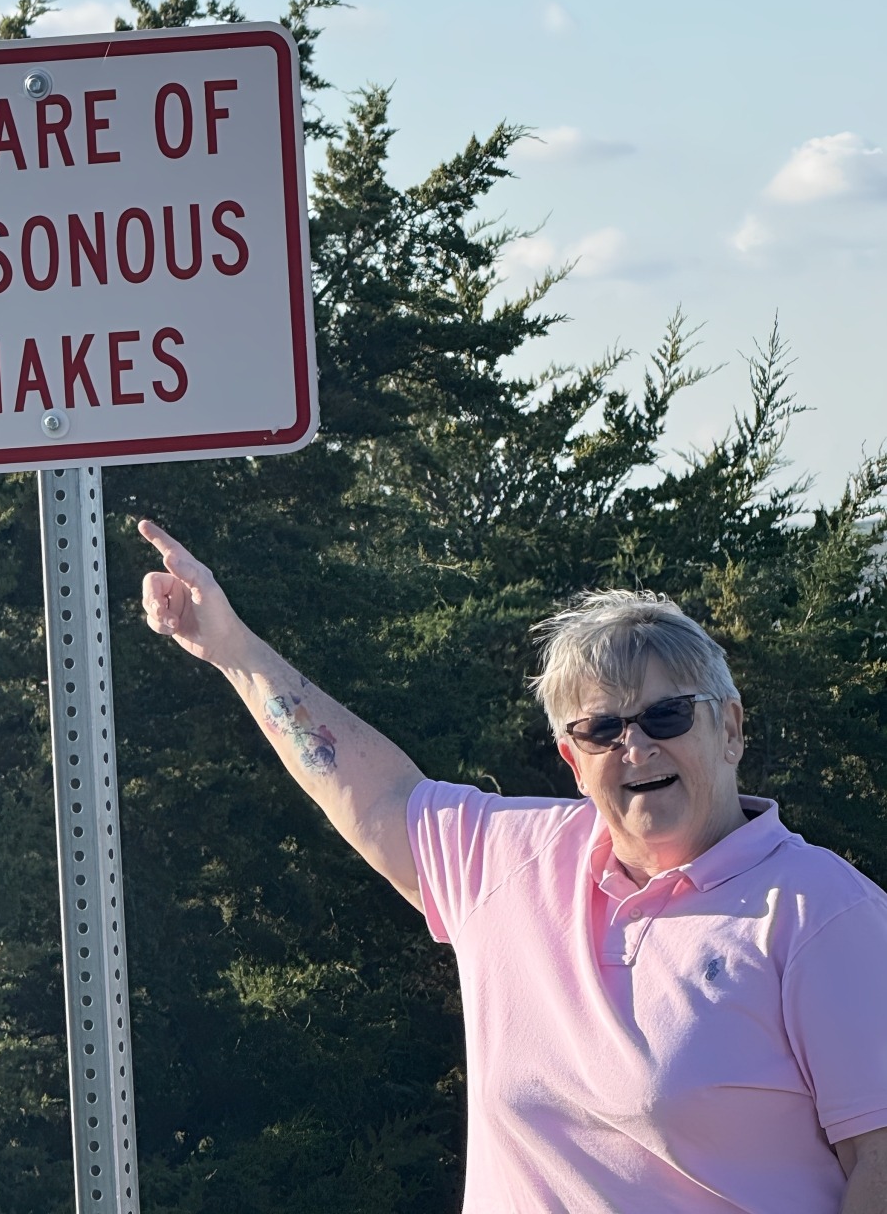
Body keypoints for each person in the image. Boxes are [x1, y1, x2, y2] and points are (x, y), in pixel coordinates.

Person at [138, 519, 887, 1213]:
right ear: (571, 758)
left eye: (667, 716)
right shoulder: (511, 862)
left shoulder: (822, 914)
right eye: (601, 729)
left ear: (730, 727)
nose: (636, 748)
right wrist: (232, 649)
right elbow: (368, 788)